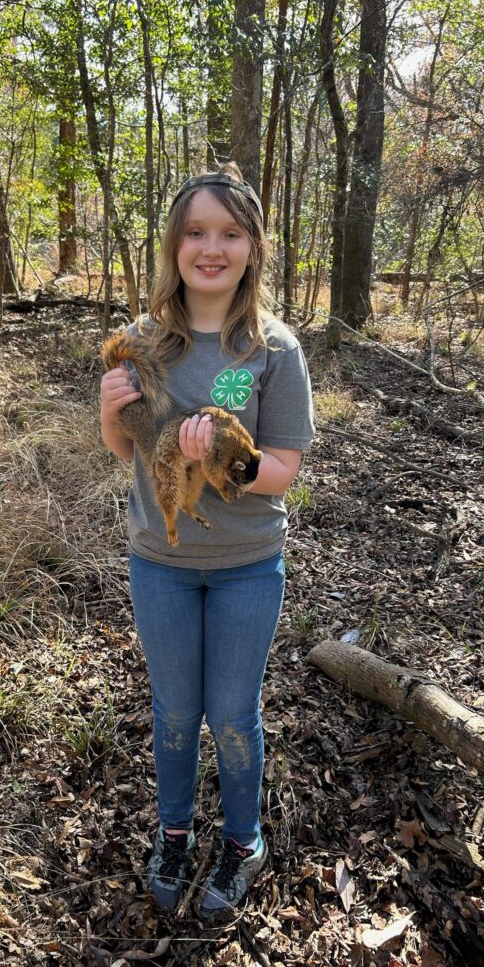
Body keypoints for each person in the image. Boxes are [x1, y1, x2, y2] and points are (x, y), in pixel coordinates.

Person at [99, 162, 315, 919]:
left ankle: (242, 839)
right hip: (159, 562)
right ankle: (175, 830)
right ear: (174, 244)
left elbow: (282, 469)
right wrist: (109, 410)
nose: (211, 248)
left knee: (230, 710)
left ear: (253, 247)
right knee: (172, 710)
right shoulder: (140, 340)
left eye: (230, 233)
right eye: (196, 232)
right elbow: (124, 450)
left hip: (246, 568)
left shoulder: (273, 349)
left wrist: (222, 456)